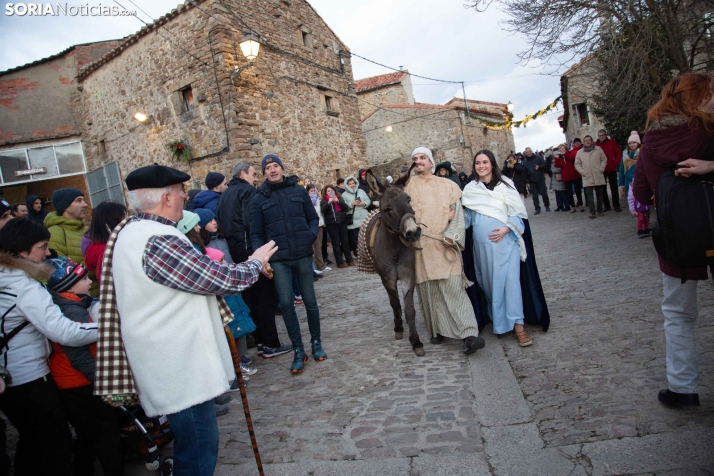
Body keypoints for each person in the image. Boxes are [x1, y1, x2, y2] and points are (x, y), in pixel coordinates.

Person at [93, 164, 277, 476]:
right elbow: (215, 278)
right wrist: (254, 263)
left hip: (172, 362)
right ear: (167, 197)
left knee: (194, 448)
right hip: (178, 367)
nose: (183, 197)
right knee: (198, 451)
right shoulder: (156, 239)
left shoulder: (135, 233)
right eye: (180, 192)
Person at [633, 72, 714, 407]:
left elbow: (639, 191)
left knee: (678, 314)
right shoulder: (709, 131)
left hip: (678, 237)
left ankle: (682, 388)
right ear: (697, 97)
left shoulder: (651, 142)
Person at [0, 218, 98, 475]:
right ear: (22, 252)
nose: (47, 252)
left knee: (31, 439)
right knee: (54, 441)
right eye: (42, 247)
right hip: (28, 377)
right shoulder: (25, 286)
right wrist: (108, 329)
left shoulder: (4, 277)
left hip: (9, 375)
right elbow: (64, 332)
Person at [250, 154, 327, 373]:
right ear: (264, 173)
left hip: (302, 254)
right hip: (278, 259)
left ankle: (316, 343)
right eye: (268, 168)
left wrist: (310, 235)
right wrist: (261, 258)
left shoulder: (298, 190)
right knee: (286, 304)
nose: (272, 170)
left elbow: (312, 218)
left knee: (310, 301)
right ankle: (298, 350)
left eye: (276, 166)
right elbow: (256, 233)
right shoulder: (259, 198)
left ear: (282, 169)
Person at [47, 257, 124, 476]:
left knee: (89, 435)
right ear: (69, 285)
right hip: (80, 385)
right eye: (84, 279)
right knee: (107, 436)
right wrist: (106, 383)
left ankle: (82, 469)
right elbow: (79, 357)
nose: (90, 282)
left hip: (74, 383)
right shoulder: (73, 312)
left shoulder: (73, 304)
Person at [404, 147, 485, 355]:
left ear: (431, 162)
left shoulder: (448, 186)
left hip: (445, 245)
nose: (418, 161)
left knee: (454, 291)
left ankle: (469, 335)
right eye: (415, 159)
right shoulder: (406, 188)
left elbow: (457, 215)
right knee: (429, 294)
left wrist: (453, 235)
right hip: (420, 250)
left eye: (423, 158)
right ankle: (436, 331)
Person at [216, 162, 292, 359]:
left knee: (251, 299)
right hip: (251, 252)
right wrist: (259, 254)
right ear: (242, 174)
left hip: (236, 252)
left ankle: (260, 341)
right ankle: (270, 344)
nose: (256, 178)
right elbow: (252, 223)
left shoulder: (224, 195)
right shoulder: (247, 192)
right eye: (253, 174)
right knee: (265, 298)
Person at [462, 150, 534, 346]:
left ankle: (519, 327)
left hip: (505, 243)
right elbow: (467, 219)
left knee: (511, 284)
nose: (481, 166)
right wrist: (453, 215)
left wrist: (505, 229)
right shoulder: (470, 189)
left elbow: (518, 214)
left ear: (492, 163)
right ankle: (501, 324)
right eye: (478, 163)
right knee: (489, 284)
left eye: (485, 162)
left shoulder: (506, 185)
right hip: (482, 247)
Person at [83, 201, 127, 288]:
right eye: (124, 216)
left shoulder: (95, 247)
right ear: (113, 221)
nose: (128, 219)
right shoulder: (110, 250)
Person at [574, 135, 608, 219]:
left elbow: (604, 159)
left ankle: (600, 210)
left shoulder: (598, 149)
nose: (587, 142)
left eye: (589, 140)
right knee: (589, 194)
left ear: (592, 141)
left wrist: (601, 168)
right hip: (587, 176)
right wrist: (583, 172)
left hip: (598, 174)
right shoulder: (580, 152)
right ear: (583, 142)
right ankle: (592, 211)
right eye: (585, 140)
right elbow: (577, 164)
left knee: (600, 194)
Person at [321, 185, 353, 268]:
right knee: (336, 243)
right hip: (331, 224)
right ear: (326, 193)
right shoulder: (324, 201)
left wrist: (338, 201)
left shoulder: (339, 198)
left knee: (345, 242)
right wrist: (328, 203)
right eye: (328, 191)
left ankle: (349, 260)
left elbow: (346, 208)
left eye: (332, 190)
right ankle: (340, 262)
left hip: (341, 222)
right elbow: (323, 210)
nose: (330, 192)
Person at [341, 176, 371, 257]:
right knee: (356, 240)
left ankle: (367, 254)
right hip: (353, 221)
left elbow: (368, 200)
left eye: (353, 183)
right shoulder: (344, 195)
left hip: (364, 219)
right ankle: (359, 254)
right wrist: (351, 204)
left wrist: (364, 204)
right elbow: (343, 207)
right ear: (347, 185)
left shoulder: (361, 191)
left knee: (366, 238)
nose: (352, 185)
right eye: (350, 184)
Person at [595, 129, 623, 212]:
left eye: (603, 135)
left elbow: (619, 153)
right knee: (602, 189)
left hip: (611, 168)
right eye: (600, 135)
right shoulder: (596, 145)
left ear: (606, 135)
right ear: (598, 136)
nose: (602, 137)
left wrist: (615, 163)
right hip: (601, 170)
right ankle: (606, 205)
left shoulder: (612, 143)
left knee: (614, 188)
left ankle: (616, 205)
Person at [306, 184, 329, 273]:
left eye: (314, 190)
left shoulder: (318, 200)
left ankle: (321, 265)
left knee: (319, 246)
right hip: (313, 226)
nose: (313, 192)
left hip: (320, 224)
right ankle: (315, 267)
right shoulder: (308, 201)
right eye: (311, 191)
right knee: (315, 247)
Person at [522, 147, 550, 214]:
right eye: (527, 152)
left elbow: (545, 165)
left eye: (529, 151)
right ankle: (537, 208)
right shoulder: (525, 162)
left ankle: (547, 206)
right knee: (534, 196)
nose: (529, 153)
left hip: (540, 179)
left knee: (544, 193)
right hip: (532, 181)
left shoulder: (538, 158)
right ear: (526, 153)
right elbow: (524, 173)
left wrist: (539, 167)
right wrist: (526, 181)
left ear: (531, 151)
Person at [559, 141, 585, 213]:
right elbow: (557, 165)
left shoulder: (570, 154)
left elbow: (572, 159)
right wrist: (558, 158)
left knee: (578, 191)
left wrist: (566, 154)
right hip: (566, 177)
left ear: (566, 149)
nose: (562, 150)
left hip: (575, 175)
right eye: (561, 149)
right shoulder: (560, 157)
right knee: (569, 193)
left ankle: (580, 204)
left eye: (563, 149)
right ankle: (572, 206)